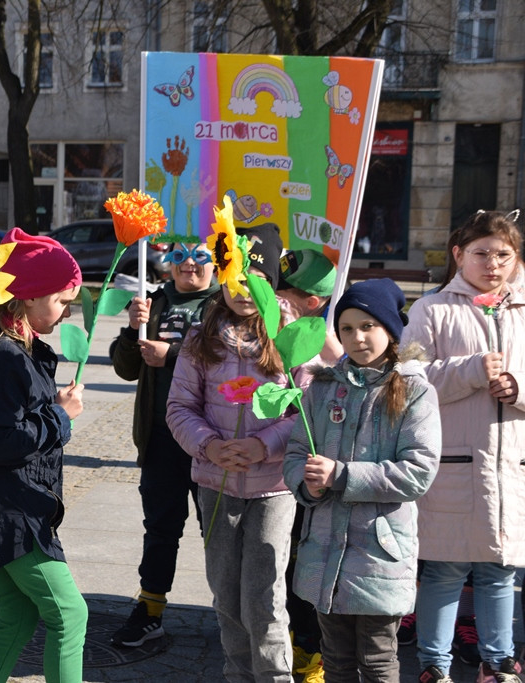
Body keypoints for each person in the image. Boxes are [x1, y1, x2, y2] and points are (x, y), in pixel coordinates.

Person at [166, 222, 307, 683]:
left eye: (257, 279)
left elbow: (306, 411)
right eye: (237, 278)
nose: (245, 290)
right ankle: (238, 675)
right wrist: (210, 445)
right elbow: (180, 407)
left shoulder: (292, 335)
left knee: (264, 597)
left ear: (274, 283)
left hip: (273, 488)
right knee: (226, 595)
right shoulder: (200, 337)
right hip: (217, 483)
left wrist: (263, 445)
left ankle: (274, 677)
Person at [283, 279, 441, 683]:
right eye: (347, 328)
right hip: (324, 552)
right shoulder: (323, 387)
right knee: (334, 659)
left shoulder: (414, 390)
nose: (357, 337)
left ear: (390, 329)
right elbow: (297, 451)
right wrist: (306, 483)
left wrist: (341, 475)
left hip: (378, 554)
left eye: (368, 326)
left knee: (376, 660)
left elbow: (418, 472)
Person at [0, 227, 88, 683]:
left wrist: (54, 411)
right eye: (61, 300)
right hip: (11, 510)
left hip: (12, 504)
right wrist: (60, 417)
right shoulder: (5, 357)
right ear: (27, 297)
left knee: (18, 617)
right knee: (70, 614)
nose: (66, 312)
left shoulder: (17, 351)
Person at [402, 210, 525, 683]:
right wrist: (471, 370)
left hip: (510, 466)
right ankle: (434, 664)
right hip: (456, 463)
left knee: (500, 571)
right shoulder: (430, 309)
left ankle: (499, 661)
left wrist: (518, 388)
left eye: (503, 255)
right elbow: (408, 378)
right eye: (481, 253)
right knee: (444, 570)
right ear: (458, 255)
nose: (493, 264)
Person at [108, 237, 219, 647]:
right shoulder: (153, 302)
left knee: (218, 531)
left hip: (212, 439)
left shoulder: (226, 304)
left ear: (216, 261)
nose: (189, 263)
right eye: (179, 255)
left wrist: (172, 355)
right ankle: (150, 609)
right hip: (160, 438)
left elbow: (230, 360)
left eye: (200, 255)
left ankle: (232, 610)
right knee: (160, 527)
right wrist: (131, 328)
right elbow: (126, 369)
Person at [275, 247, 339, 682]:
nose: (277, 301)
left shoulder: (326, 345)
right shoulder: (267, 330)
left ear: (312, 302)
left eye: (287, 295)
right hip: (267, 473)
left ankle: (313, 651)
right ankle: (291, 640)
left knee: (305, 562)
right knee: (279, 566)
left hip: (307, 474)